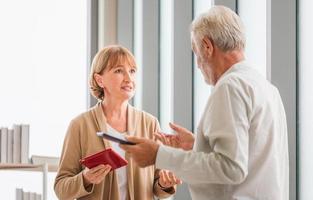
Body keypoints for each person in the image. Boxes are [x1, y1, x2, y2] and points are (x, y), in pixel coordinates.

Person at [120, 6, 289, 200]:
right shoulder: (267, 89)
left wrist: (159, 154)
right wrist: (198, 145)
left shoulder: (230, 86)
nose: (198, 63)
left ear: (207, 47)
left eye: (196, 52)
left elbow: (231, 168)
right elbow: (252, 156)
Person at [54, 45, 181, 200]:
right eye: (119, 71)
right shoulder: (80, 125)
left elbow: (158, 186)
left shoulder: (149, 124)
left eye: (132, 71)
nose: (128, 78)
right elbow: (61, 188)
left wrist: (163, 183)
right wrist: (86, 178)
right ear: (99, 80)